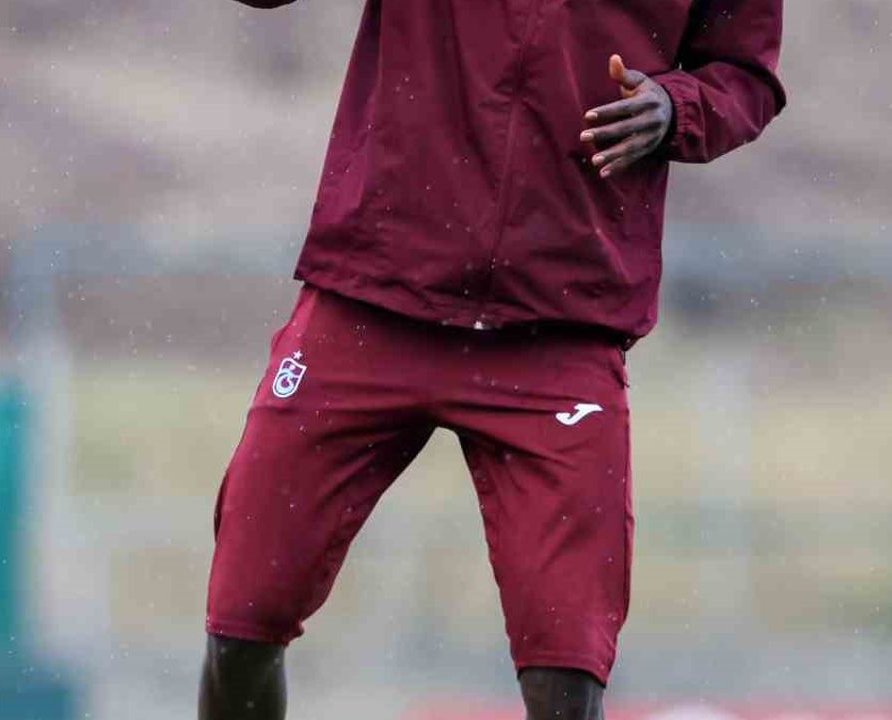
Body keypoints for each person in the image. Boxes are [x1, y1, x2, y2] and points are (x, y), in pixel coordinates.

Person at [198, 0, 785, 716]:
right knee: (241, 624)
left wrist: (676, 107)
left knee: (568, 674)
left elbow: (746, 74)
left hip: (560, 325)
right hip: (373, 296)